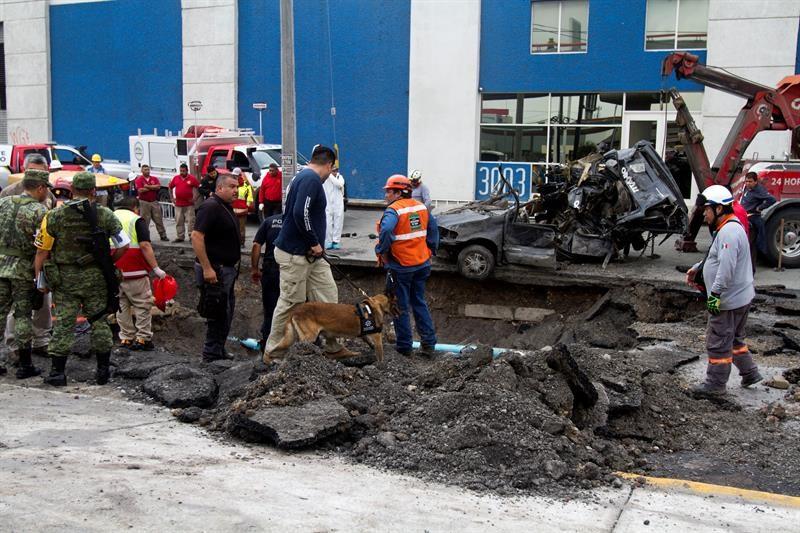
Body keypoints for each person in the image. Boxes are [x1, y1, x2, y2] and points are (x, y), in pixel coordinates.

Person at [34, 172, 130, 386]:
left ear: (72, 191)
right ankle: (103, 371)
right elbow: (124, 244)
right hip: (96, 278)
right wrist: (109, 262)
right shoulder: (104, 214)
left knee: (64, 325)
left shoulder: (54, 216)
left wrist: (39, 280)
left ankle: (58, 373)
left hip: (64, 280)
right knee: (99, 321)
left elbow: (42, 251)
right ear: (93, 191)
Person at [263, 145, 355, 358]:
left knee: (328, 296)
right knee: (290, 303)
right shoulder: (310, 179)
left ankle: (333, 347)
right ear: (330, 165)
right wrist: (314, 242)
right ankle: (273, 353)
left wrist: (315, 248)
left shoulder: (302, 178)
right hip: (296, 254)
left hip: (312, 256)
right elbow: (300, 212)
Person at [686, 185, 760, 397]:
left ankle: (715, 384)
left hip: (728, 300)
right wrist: (699, 267)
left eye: (707, 210)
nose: (705, 215)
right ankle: (750, 372)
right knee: (735, 338)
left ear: (718, 209)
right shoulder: (730, 228)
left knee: (718, 341)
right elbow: (717, 258)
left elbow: (726, 269)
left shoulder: (729, 232)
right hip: (741, 296)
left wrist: (715, 297)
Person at [376, 175, 439, 357]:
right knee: (419, 302)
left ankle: (404, 347)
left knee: (400, 306)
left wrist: (381, 249)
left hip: (401, 266)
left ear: (398, 192)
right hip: (421, 264)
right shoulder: (421, 207)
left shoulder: (393, 210)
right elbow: (433, 231)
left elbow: (386, 230)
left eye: (389, 191)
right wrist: (430, 250)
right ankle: (428, 344)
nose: (386, 194)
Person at [1, 154, 55, 364]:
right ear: (39, 187)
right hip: (25, 267)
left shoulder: (4, 202)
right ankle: (24, 362)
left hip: (2, 265)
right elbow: (44, 243)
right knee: (22, 314)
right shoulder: (39, 209)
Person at [191, 173, 241, 362]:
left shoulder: (224, 206)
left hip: (226, 269)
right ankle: (210, 354)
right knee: (217, 312)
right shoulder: (210, 207)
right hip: (215, 269)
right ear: (220, 188)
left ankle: (218, 349)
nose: (236, 190)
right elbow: (196, 236)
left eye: (237, 186)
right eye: (232, 186)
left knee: (226, 312)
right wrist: (207, 268)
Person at [113, 197, 168, 351]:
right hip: (134, 269)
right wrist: (156, 268)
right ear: (135, 207)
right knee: (142, 304)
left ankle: (126, 338)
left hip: (114, 271)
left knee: (121, 305)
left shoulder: (108, 218)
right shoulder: (136, 220)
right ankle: (143, 338)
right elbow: (144, 245)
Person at [251, 213, 282, 351]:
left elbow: (257, 244)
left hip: (271, 269)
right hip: (291, 270)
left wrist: (254, 268)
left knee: (270, 308)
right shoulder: (296, 221)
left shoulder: (269, 221)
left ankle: (266, 344)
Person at [741, 171, 777, 262]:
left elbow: (772, 199)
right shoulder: (747, 187)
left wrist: (760, 208)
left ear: (756, 182)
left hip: (752, 218)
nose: (748, 183)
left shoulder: (760, 190)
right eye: (746, 181)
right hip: (743, 215)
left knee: (752, 243)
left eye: (750, 181)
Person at [134, 164, 168, 242]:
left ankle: (163, 235)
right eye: (145, 170)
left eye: (148, 169)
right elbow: (140, 190)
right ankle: (145, 237)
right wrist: (153, 187)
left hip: (154, 201)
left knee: (158, 219)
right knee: (145, 221)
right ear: (142, 171)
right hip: (144, 202)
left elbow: (158, 187)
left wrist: (147, 187)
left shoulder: (154, 178)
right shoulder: (139, 180)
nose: (147, 171)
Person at [169, 163, 200, 242]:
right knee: (179, 221)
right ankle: (180, 237)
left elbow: (199, 188)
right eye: (180, 171)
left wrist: (195, 198)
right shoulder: (176, 178)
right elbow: (170, 187)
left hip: (189, 205)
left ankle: (191, 237)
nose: (182, 172)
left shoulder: (192, 178)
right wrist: (172, 198)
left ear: (187, 170)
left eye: (183, 171)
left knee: (191, 222)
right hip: (178, 204)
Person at [323, 166, 345, 249]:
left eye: (336, 170)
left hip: (338, 203)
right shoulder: (325, 179)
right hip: (327, 203)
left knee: (338, 222)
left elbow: (339, 184)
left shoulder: (340, 177)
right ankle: (328, 241)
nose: (335, 172)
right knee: (328, 223)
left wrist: (329, 175)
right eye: (333, 170)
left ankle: (336, 241)